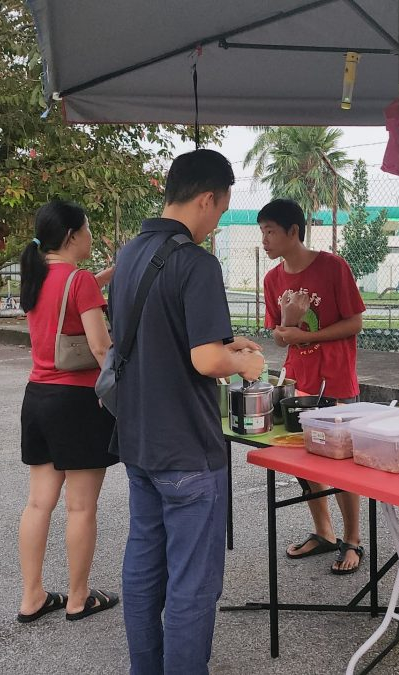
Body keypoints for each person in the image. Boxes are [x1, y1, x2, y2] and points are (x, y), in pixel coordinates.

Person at [110, 149, 266, 675]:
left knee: (144, 564)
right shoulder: (196, 262)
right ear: (206, 198)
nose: (218, 223)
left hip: (138, 440)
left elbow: (161, 334)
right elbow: (204, 359)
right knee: (192, 583)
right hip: (188, 452)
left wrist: (225, 341)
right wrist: (245, 362)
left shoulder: (129, 254)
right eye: (220, 211)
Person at [16, 200, 120, 624]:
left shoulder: (36, 275)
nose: (92, 236)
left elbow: (65, 294)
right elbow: (100, 347)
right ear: (73, 235)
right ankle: (78, 598)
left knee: (39, 504)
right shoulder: (79, 282)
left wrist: (105, 276)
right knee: (80, 508)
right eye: (89, 228)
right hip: (77, 402)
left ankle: (32, 597)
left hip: (36, 397)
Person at [259, 198, 367, 575]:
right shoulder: (272, 279)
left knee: (341, 463)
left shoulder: (333, 267)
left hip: (335, 379)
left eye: (270, 231)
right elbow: (277, 335)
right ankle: (324, 532)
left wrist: (311, 332)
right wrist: (288, 329)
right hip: (300, 381)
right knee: (308, 461)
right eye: (262, 232)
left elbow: (355, 323)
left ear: (293, 231)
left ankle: (353, 540)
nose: (265, 239)